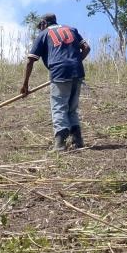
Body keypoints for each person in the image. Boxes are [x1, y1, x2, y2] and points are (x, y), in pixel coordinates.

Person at [21, 13, 91, 150]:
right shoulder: (72, 29)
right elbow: (87, 48)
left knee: (59, 107)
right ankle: (78, 141)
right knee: (72, 108)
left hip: (59, 73)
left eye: (40, 26)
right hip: (77, 71)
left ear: (44, 23)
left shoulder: (44, 34)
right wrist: (74, 62)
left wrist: (25, 85)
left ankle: (60, 144)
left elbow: (30, 60)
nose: (40, 29)